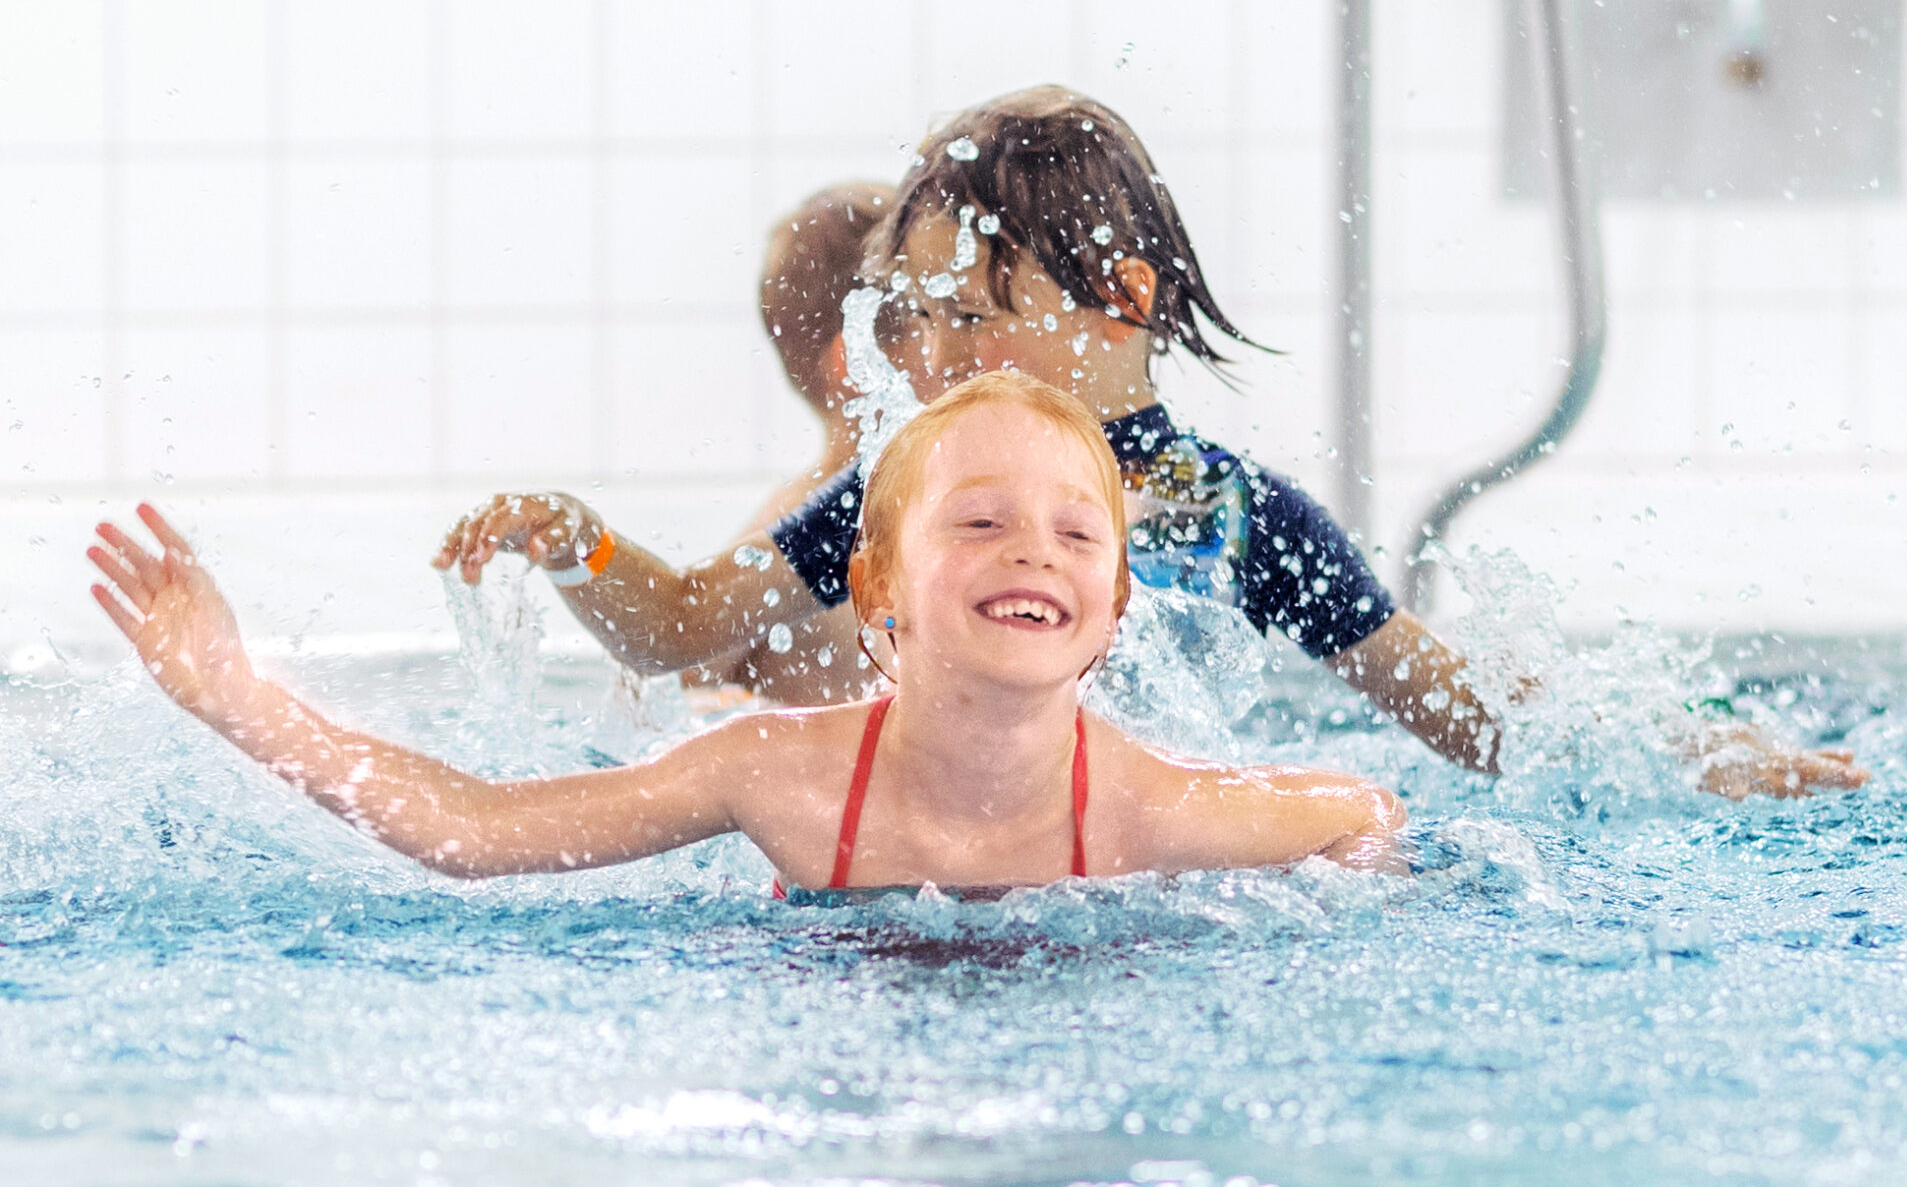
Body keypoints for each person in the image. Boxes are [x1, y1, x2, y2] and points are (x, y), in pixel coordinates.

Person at [435, 85, 1864, 801]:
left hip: (1145, 889)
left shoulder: (1231, 518)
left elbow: (1462, 708)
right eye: (916, 326)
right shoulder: (900, 495)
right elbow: (679, 626)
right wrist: (583, 542)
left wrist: (1693, 757)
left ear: (1118, 299)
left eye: (975, 317)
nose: (931, 362)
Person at [87, 374, 1407, 892]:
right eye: (983, 521)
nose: (1032, 553)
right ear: (878, 584)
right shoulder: (780, 772)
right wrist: (227, 689)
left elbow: (1355, 805)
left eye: (1077, 534)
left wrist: (1366, 886)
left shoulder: (1141, 807)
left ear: (1115, 610)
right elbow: (479, 833)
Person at [680, 181, 903, 706]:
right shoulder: (785, 549)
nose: (960, 353)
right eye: (934, 321)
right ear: (858, 364)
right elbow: (666, 685)